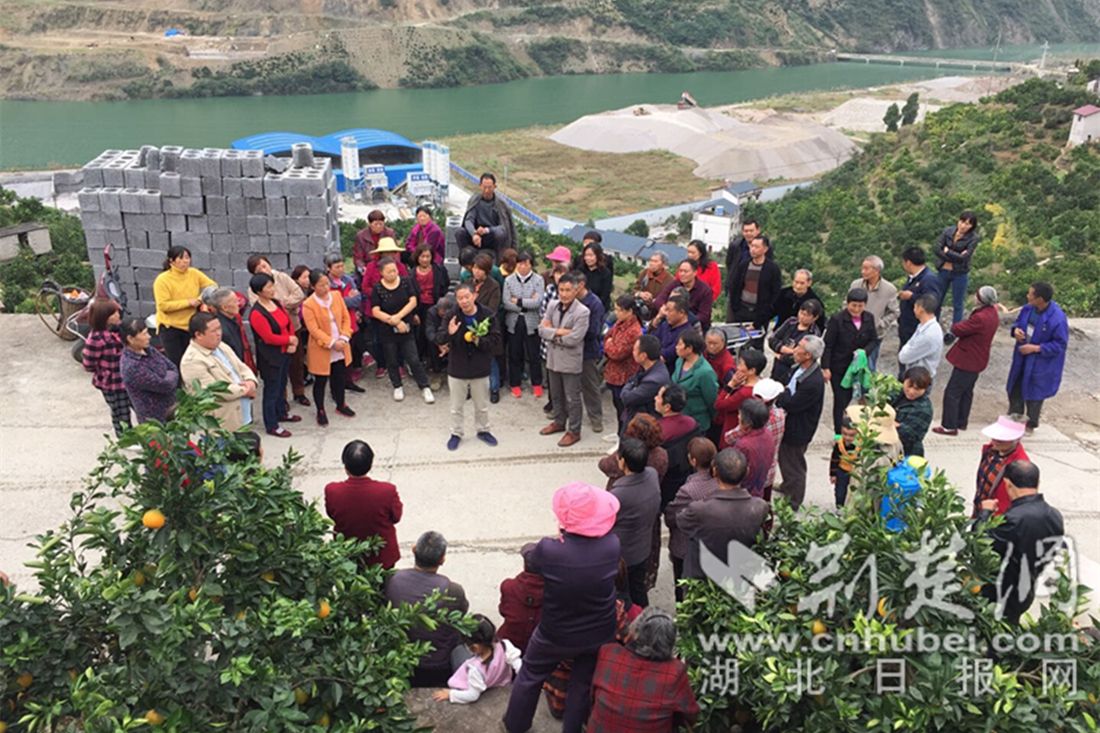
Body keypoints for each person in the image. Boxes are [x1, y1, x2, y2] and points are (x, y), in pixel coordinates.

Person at [502, 482, 621, 733]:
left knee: (531, 673)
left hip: (556, 632)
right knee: (582, 683)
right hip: (599, 630)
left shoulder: (550, 549)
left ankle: (516, 725)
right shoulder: (612, 545)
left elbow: (534, 559)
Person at [975, 461, 1064, 625]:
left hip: (1001, 594)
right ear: (1037, 483)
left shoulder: (1013, 520)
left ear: (1008, 484)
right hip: (1026, 591)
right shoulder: (1055, 516)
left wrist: (985, 513)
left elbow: (978, 541)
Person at [587, 607, 700, 731]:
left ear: (636, 632)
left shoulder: (608, 653)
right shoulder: (675, 671)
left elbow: (593, 698)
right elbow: (691, 715)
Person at [385, 531, 470, 688]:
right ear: (442, 559)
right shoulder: (453, 590)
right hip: (440, 666)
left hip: (402, 662)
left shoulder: (392, 579)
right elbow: (461, 614)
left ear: (413, 550)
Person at [676, 448, 770, 579]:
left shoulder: (699, 509)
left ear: (714, 471)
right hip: (740, 575)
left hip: (703, 577)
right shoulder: (759, 507)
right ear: (747, 472)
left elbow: (681, 522)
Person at [439, 282, 501, 450]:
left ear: (474, 296)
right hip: (457, 367)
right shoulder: (452, 315)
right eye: (460, 298)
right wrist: (449, 333)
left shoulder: (487, 315)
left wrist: (478, 340)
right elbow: (439, 338)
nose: (464, 301)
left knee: (481, 405)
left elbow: (495, 340)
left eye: (467, 297)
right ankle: (456, 433)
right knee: (456, 406)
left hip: (480, 367)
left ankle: (483, 430)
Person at [324, 440, 403, 569]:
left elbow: (332, 514)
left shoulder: (332, 490)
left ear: (345, 466)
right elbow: (396, 517)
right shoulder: (387, 491)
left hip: (349, 555)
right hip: (381, 556)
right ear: (370, 464)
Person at [935, 286, 1001, 435]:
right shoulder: (993, 313)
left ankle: (949, 426)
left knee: (952, 392)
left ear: (981, 299)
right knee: (966, 392)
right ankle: (961, 422)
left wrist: (955, 326)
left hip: (968, 358)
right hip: (978, 358)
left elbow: (958, 329)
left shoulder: (980, 317)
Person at [371, 257, 436, 404]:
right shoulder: (378, 288)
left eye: (394, 270)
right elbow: (375, 310)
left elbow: (413, 301)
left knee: (413, 358)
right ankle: (397, 385)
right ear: (381, 273)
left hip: (406, 326)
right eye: (389, 272)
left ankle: (424, 386)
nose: (393, 274)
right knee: (392, 359)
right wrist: (392, 321)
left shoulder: (406, 282)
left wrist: (399, 318)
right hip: (387, 329)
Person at [1006, 281, 1069, 430]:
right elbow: (1017, 324)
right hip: (1022, 357)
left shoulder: (1057, 318)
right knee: (1015, 388)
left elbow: (1060, 345)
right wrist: (1015, 331)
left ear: (1040, 299)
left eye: (1030, 294)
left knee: (1034, 393)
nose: (1027, 296)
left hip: (1040, 362)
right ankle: (1014, 419)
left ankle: (1030, 424)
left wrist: (1036, 348)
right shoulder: (1028, 309)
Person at [180, 312, 258, 431]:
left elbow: (241, 367)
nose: (219, 333)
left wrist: (251, 381)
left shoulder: (221, 346)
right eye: (214, 331)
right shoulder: (192, 361)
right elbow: (214, 391)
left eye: (219, 328)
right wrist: (246, 390)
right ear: (199, 335)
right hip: (223, 425)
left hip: (242, 415)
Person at [774, 335, 826, 511]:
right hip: (791, 422)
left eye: (799, 348)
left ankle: (793, 501)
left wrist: (781, 394)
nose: (795, 350)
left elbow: (791, 403)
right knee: (785, 459)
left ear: (808, 355)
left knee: (793, 464)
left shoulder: (813, 382)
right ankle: (787, 486)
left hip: (799, 428)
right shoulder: (800, 368)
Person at [609, 437, 661, 608]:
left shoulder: (618, 494)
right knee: (638, 589)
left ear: (623, 462)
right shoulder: (652, 475)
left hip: (624, 555)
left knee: (624, 594)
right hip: (643, 548)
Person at [664, 437, 719, 598]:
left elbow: (671, 516)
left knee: (683, 589)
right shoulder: (720, 482)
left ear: (693, 461)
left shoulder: (688, 490)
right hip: (712, 544)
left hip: (686, 547)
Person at [539, 274, 590, 448]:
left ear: (575, 291)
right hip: (553, 358)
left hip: (570, 361)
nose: (564, 294)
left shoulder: (582, 311)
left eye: (568, 290)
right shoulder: (552, 305)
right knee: (555, 394)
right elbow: (541, 330)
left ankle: (574, 431)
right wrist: (561, 332)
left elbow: (575, 338)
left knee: (572, 397)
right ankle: (559, 422)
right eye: (561, 290)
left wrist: (552, 333)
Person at [248, 273, 300, 438]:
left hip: (285, 352)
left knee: (282, 385)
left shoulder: (276, 302)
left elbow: (288, 323)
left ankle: (282, 412)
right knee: (271, 390)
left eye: (272, 285)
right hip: (271, 357)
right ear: (259, 291)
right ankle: (271, 424)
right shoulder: (257, 313)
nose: (272, 289)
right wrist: (288, 340)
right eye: (268, 287)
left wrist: (292, 341)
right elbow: (268, 337)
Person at [301, 270, 356, 426]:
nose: (326, 288)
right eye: (321, 285)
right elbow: (314, 330)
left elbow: (346, 318)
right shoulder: (309, 304)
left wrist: (344, 337)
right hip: (322, 348)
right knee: (321, 380)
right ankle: (320, 410)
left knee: (339, 376)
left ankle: (341, 404)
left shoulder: (336, 296)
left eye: (327, 284)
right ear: (313, 286)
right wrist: (332, 342)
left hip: (341, 343)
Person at [433, 614, 523, 704]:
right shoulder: (505, 646)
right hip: (501, 684)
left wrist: (451, 694)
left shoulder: (475, 669)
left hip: (469, 685)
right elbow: (520, 666)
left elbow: (472, 695)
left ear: (474, 647)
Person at [822, 288, 877, 433]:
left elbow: (873, 340)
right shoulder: (837, 319)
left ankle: (853, 429)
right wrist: (825, 367)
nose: (856, 309)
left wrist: (864, 352)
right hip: (839, 367)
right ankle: (838, 434)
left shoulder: (869, 318)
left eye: (860, 306)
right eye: (854, 305)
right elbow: (828, 345)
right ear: (848, 304)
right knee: (840, 400)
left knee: (856, 397)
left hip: (858, 368)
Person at [154, 245, 216, 367]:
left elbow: (212, 286)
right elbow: (163, 306)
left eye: (187, 258)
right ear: (171, 261)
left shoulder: (194, 273)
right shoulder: (162, 280)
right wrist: (188, 303)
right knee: (177, 364)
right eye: (181, 258)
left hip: (190, 325)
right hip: (171, 327)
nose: (185, 261)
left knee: (193, 362)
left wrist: (201, 299)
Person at [82, 299, 131, 437]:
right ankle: (126, 439)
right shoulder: (96, 339)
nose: (118, 315)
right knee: (121, 414)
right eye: (113, 313)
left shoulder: (119, 330)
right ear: (104, 317)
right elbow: (88, 364)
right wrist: (105, 372)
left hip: (127, 378)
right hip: (111, 384)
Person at [503, 251, 546, 399]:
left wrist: (518, 301)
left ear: (531, 265)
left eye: (525, 263)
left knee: (534, 354)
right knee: (514, 354)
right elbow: (506, 303)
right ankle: (515, 384)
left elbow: (538, 302)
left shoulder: (538, 280)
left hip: (532, 322)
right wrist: (527, 303)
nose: (522, 266)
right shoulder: (509, 280)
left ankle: (537, 383)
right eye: (520, 263)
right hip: (513, 321)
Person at [119, 318, 178, 424]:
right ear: (130, 339)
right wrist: (170, 376)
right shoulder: (132, 366)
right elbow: (164, 386)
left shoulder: (149, 349)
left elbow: (172, 367)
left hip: (171, 410)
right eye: (144, 334)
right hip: (154, 419)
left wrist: (168, 376)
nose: (149, 336)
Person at [324, 251, 368, 391]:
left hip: (350, 321)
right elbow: (329, 304)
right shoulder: (325, 283)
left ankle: (348, 381)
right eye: (337, 267)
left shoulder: (348, 280)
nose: (341, 269)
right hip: (334, 323)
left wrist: (343, 301)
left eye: (342, 266)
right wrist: (347, 299)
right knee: (337, 357)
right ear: (328, 268)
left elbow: (358, 299)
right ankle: (337, 387)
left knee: (350, 352)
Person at [725, 235, 782, 341]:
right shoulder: (744, 265)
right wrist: (736, 308)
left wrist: (765, 315)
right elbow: (735, 287)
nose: (753, 249)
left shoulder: (772, 269)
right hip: (742, 310)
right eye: (752, 246)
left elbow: (775, 293)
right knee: (738, 341)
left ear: (765, 249)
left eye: (757, 247)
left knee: (756, 343)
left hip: (760, 312)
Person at [972, 415, 1030, 517]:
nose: (994, 442)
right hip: (981, 510)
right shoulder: (990, 451)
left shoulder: (1020, 466)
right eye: (994, 437)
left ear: (1016, 440)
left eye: (1001, 439)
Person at [850, 255, 899, 370]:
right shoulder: (856, 285)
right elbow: (846, 303)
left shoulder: (889, 289)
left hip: (875, 334)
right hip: (853, 331)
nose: (863, 271)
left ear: (877, 270)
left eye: (866, 269)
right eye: (862, 268)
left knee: (869, 366)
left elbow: (894, 312)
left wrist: (881, 323)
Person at [603, 295, 644, 433]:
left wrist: (609, 344)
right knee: (617, 407)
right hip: (614, 374)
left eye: (619, 310)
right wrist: (610, 343)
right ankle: (619, 433)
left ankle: (624, 435)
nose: (616, 313)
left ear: (629, 311)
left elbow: (617, 353)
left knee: (624, 411)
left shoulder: (634, 331)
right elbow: (607, 336)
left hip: (624, 376)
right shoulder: (619, 323)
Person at [598, 413, 670, 489]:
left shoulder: (628, 453)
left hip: (622, 490)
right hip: (648, 490)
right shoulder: (662, 454)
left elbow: (604, 465)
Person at [934, 211, 980, 328]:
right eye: (962, 221)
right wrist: (956, 256)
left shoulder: (973, 238)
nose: (963, 226)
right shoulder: (948, 231)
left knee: (958, 304)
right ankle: (933, 326)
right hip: (943, 270)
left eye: (968, 224)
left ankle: (955, 330)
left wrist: (948, 252)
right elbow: (937, 249)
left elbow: (964, 258)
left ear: (972, 226)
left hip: (959, 273)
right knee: (937, 300)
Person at [714, 346, 765, 449]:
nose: (737, 367)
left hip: (733, 429)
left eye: (741, 364)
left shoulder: (745, 393)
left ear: (752, 370)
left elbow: (719, 404)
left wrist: (730, 385)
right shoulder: (760, 384)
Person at [498, 543, 545, 654]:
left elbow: (503, 610)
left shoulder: (508, 586)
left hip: (509, 645)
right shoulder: (555, 591)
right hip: (539, 648)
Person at [411, 243, 450, 374]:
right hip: (418, 307)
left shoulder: (439, 270)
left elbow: (445, 285)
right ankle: (422, 361)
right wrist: (413, 313)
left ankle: (436, 363)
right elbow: (409, 293)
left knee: (435, 332)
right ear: (417, 257)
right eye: (422, 256)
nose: (425, 259)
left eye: (428, 256)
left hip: (435, 305)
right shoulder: (412, 274)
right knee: (420, 334)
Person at [670, 330, 719, 434]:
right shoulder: (679, 361)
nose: (676, 347)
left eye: (680, 344)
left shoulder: (705, 372)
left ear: (689, 348)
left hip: (696, 423)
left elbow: (712, 401)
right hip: (679, 419)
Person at [575, 272, 607, 434]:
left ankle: (595, 417)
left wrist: (573, 333)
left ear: (581, 285)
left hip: (588, 349)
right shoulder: (571, 300)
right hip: (570, 348)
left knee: (590, 385)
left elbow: (594, 330)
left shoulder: (594, 304)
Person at [472, 252, 505, 402]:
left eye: (480, 269)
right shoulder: (469, 283)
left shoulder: (494, 286)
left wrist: (477, 316)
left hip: (487, 326)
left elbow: (492, 309)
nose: (476, 271)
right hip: (469, 325)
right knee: (471, 359)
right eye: (475, 267)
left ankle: (494, 388)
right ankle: (471, 388)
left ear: (486, 270)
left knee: (490, 360)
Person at [458, 172, 517, 256]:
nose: (487, 190)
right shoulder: (475, 200)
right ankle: (465, 256)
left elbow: (503, 227)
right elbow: (469, 220)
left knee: (500, 234)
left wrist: (487, 230)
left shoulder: (501, 204)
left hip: (492, 236)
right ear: (480, 186)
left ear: (494, 187)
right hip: (476, 235)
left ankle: (498, 258)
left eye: (489, 187)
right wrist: (474, 233)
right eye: (484, 187)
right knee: (460, 232)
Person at [619, 335, 670, 429]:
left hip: (644, 424)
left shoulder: (654, 380)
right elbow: (632, 380)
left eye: (635, 350)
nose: (633, 352)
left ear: (643, 356)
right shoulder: (647, 367)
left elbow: (627, 398)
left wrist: (630, 385)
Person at [768, 299, 823, 385]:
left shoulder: (814, 334)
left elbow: (805, 355)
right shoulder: (791, 322)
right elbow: (772, 339)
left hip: (793, 369)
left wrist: (782, 356)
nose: (802, 317)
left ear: (815, 318)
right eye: (801, 313)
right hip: (778, 366)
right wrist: (783, 348)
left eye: (807, 315)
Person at [202, 287, 256, 374]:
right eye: (235, 301)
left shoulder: (233, 319)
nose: (239, 303)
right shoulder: (221, 329)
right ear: (225, 308)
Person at [898, 247, 941, 350]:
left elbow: (932, 301)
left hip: (917, 328)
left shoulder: (929, 279)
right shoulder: (912, 277)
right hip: (907, 326)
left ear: (908, 262)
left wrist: (911, 296)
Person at [732, 398, 775, 499]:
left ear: (748, 423)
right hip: (759, 488)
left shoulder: (743, 445)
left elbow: (735, 472)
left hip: (744, 493)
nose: (738, 417)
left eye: (740, 414)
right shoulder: (768, 434)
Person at [653, 260, 713, 331]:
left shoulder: (705, 290)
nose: (682, 274)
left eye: (685, 271)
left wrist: (683, 319)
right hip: (673, 321)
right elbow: (658, 300)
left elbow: (704, 316)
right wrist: (665, 310)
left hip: (694, 327)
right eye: (680, 271)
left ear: (695, 272)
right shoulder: (674, 284)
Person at [897, 293, 944, 381]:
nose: (914, 310)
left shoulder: (929, 334)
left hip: (920, 380)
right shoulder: (923, 326)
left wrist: (907, 348)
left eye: (915, 307)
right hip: (917, 375)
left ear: (920, 309)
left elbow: (903, 357)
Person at [892, 366, 933, 457]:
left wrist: (889, 423)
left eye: (917, 389)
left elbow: (908, 434)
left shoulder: (923, 409)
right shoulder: (898, 393)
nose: (911, 391)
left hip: (907, 453)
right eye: (909, 386)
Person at [652, 296, 697, 370]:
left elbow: (665, 357)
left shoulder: (687, 335)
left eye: (669, 311)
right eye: (666, 310)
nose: (666, 314)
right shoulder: (665, 325)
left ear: (681, 312)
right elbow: (651, 341)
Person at [353, 209, 397, 273]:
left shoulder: (390, 233)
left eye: (381, 224)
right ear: (369, 224)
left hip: (386, 264)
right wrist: (362, 268)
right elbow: (358, 257)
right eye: (376, 224)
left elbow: (395, 253)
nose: (378, 226)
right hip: (368, 265)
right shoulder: (361, 236)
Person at [829, 416, 859, 508]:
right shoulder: (839, 444)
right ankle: (840, 507)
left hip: (856, 471)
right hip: (842, 470)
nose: (847, 438)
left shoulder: (860, 445)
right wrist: (833, 474)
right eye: (844, 434)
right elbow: (834, 459)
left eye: (851, 435)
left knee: (855, 492)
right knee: (840, 491)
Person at [577, 241, 613, 312]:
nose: (588, 258)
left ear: (598, 256)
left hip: (598, 308)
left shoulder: (605, 273)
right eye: (586, 255)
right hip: (580, 307)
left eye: (591, 255)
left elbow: (605, 295)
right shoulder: (580, 270)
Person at [686, 239, 721, 304]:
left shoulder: (712, 266)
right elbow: (677, 282)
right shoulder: (685, 265)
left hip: (703, 303)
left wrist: (706, 301)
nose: (690, 255)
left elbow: (716, 288)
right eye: (688, 252)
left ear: (700, 253)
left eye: (693, 253)